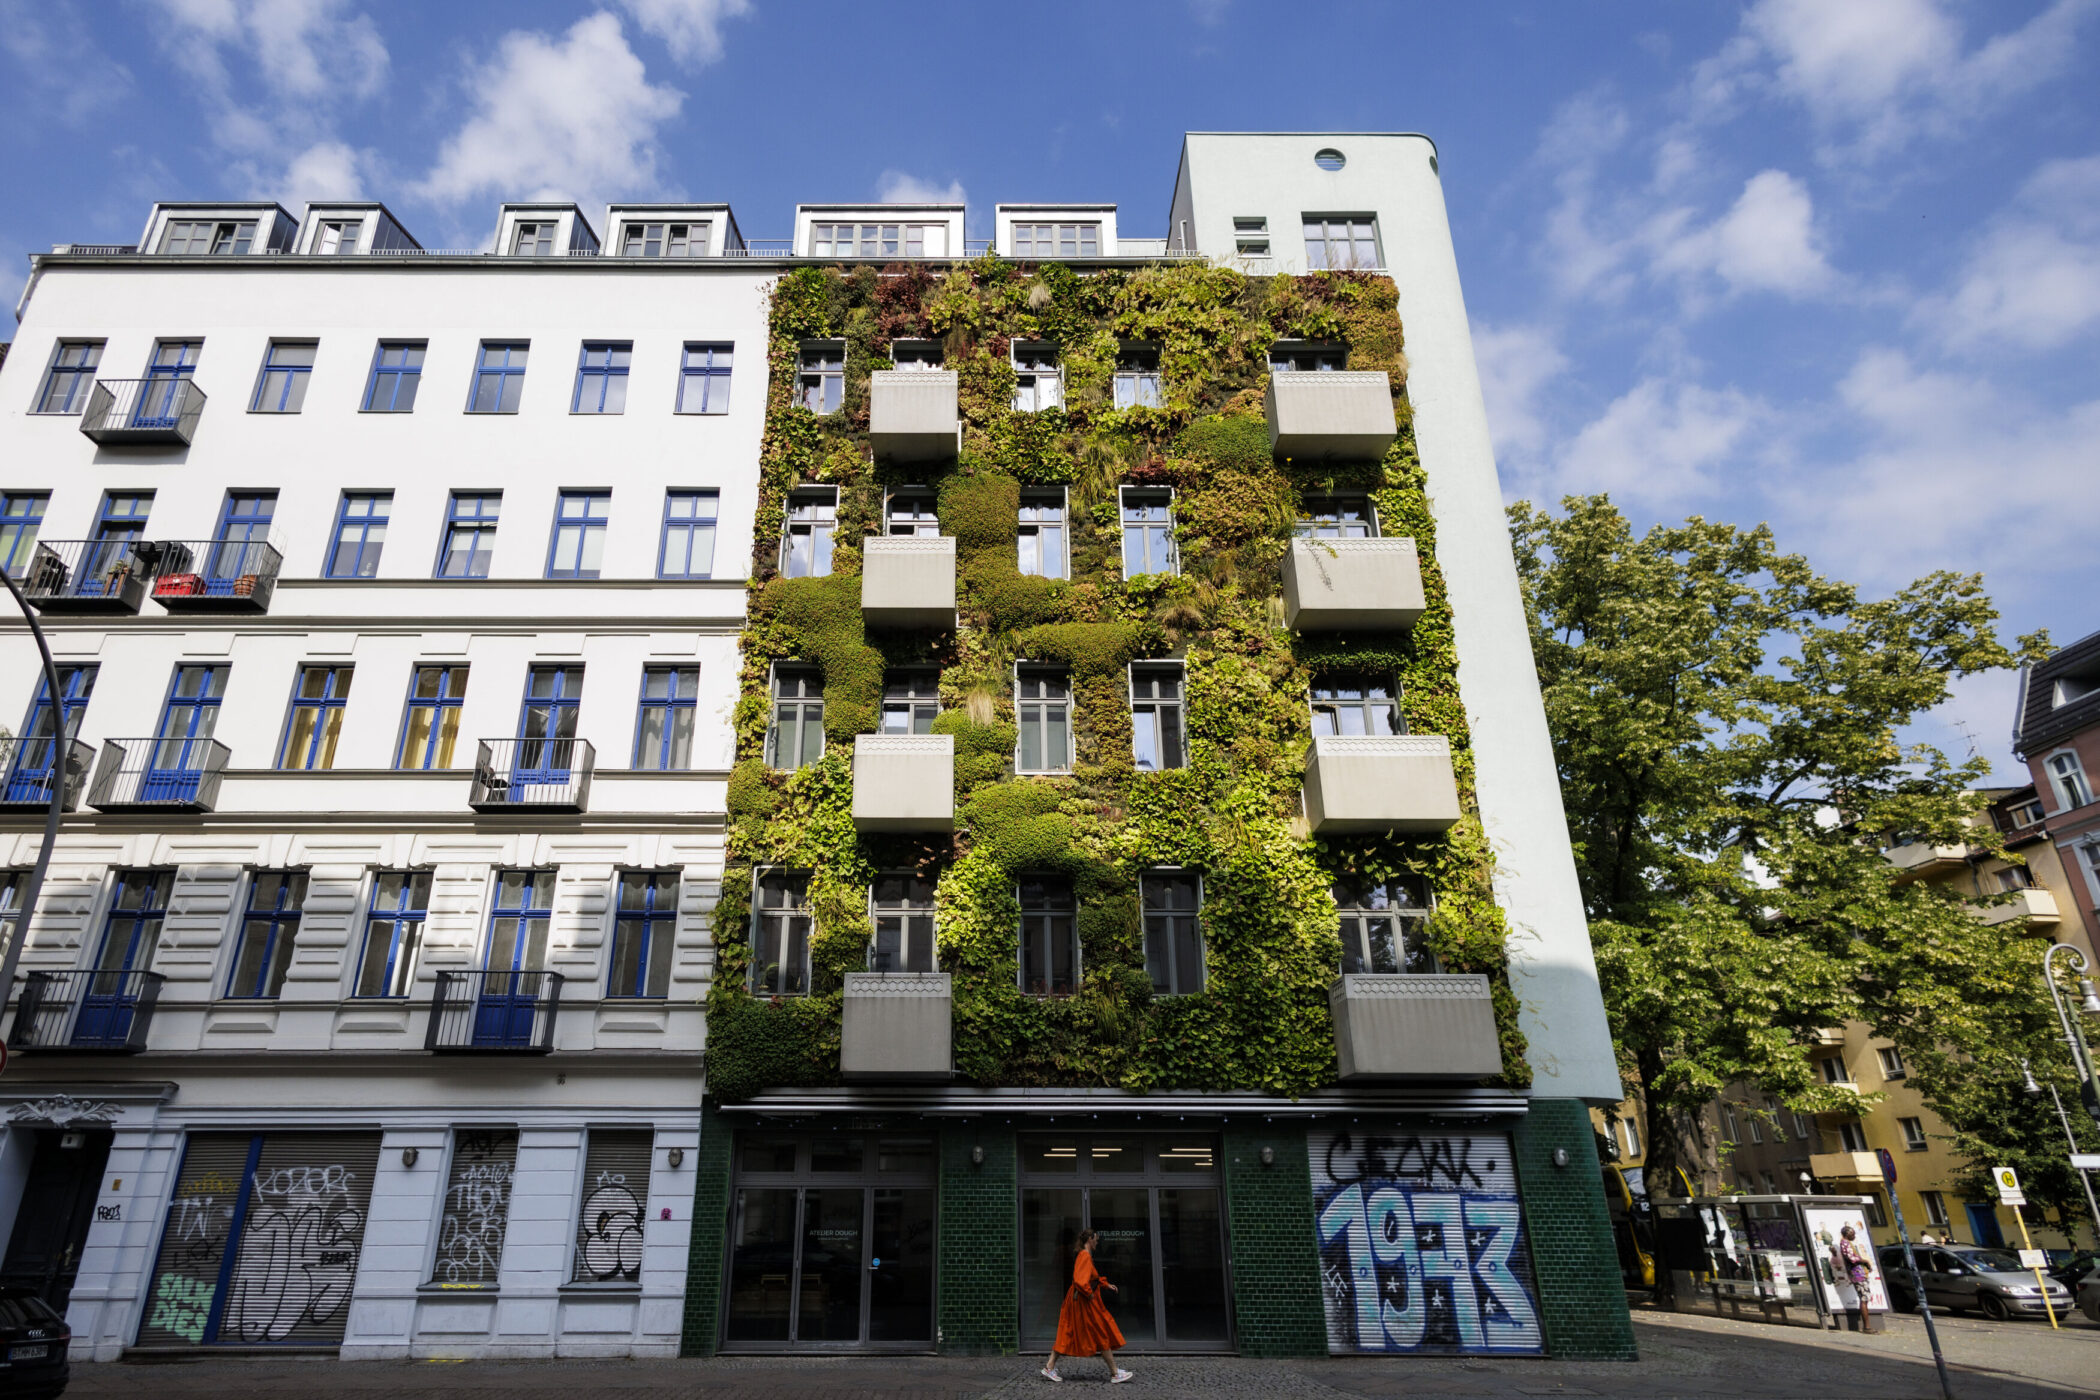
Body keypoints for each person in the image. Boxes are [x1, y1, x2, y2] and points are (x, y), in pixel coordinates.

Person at [1043, 1228, 1132, 1384]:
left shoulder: (1084, 1256)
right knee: (1100, 1332)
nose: (1097, 1242)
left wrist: (1106, 1285)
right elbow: (1081, 1281)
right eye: (1096, 1239)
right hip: (1084, 1302)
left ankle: (1050, 1366)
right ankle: (1115, 1373)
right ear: (1090, 1239)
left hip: (1079, 1300)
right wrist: (1090, 1295)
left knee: (1069, 1332)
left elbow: (1092, 1278)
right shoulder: (1085, 1256)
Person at [1836, 1224, 1880, 1334]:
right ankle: (1867, 1327)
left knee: (1865, 1297)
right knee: (1864, 1298)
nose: (1854, 1235)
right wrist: (1864, 1261)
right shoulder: (1845, 1243)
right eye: (1852, 1233)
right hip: (1857, 1274)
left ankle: (1867, 1326)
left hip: (1859, 1273)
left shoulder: (1848, 1243)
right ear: (1847, 1234)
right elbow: (1852, 1258)